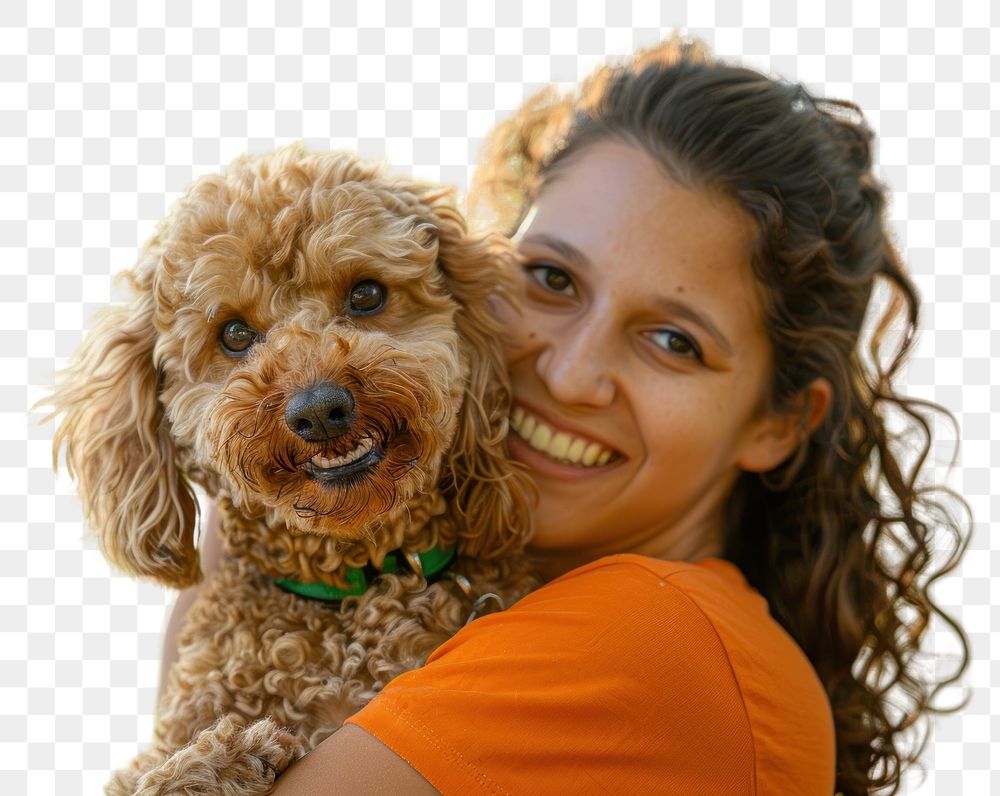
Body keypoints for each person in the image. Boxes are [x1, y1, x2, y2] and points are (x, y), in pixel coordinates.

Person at [162, 37, 971, 795]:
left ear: (780, 423)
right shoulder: (470, 605)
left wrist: (241, 531)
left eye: (672, 341)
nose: (571, 372)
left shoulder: (654, 636)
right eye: (551, 279)